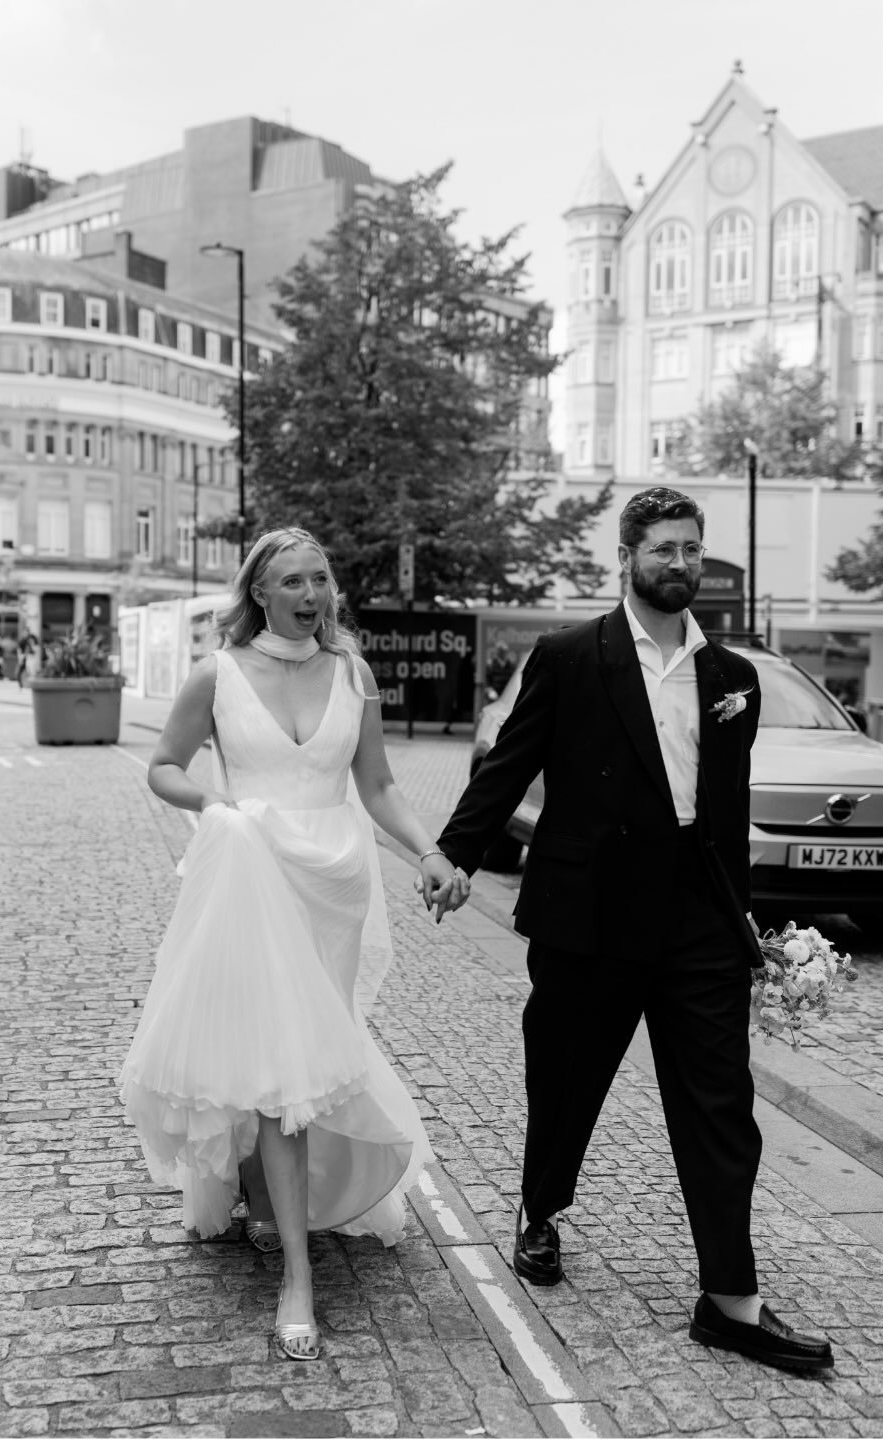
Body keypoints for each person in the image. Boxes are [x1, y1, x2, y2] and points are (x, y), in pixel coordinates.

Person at [421, 487, 833, 1374]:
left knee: (721, 1105)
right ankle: (541, 1210)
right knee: (567, 1081)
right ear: (627, 558)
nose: (680, 563)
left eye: (691, 549)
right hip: (590, 912)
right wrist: (455, 852)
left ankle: (730, 1300)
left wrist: (743, 922)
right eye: (663, 549)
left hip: (697, 919)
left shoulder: (733, 678)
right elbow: (508, 766)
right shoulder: (572, 656)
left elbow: (726, 812)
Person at [119, 527, 468, 1363]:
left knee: (301, 1061)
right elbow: (163, 766)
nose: (312, 595)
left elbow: (377, 784)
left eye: (320, 579)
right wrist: (217, 810)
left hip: (335, 888)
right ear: (260, 592)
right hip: (253, 874)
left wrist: (429, 852)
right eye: (293, 581)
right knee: (282, 1073)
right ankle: (298, 1279)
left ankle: (265, 1194)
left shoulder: (354, 673)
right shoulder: (218, 674)